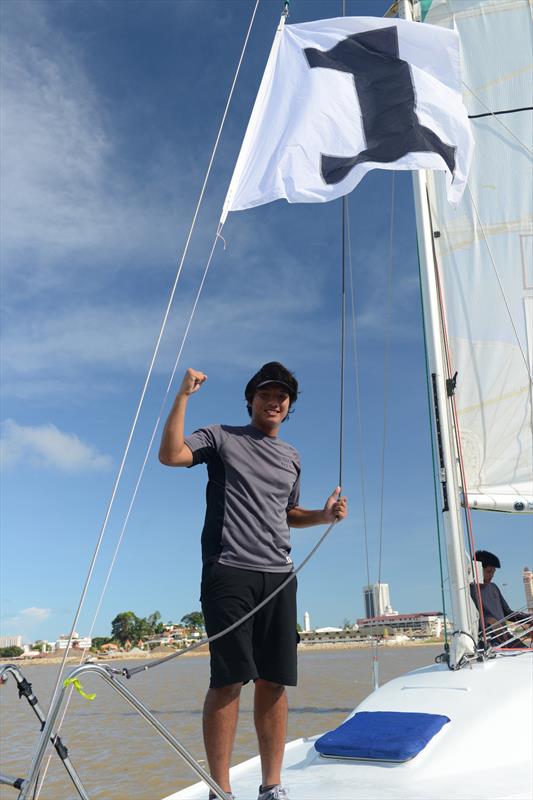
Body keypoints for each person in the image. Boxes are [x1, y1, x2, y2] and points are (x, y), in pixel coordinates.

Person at [159, 362, 348, 800]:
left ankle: (272, 786)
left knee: (274, 681)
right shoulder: (221, 436)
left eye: (282, 396)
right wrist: (183, 396)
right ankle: (220, 791)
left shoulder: (291, 457)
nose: (275, 401)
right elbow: (171, 456)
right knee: (228, 679)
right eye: (266, 393)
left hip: (280, 578)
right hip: (229, 572)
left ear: (289, 406)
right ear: (251, 400)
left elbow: (289, 515)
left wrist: (323, 516)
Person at [470, 550, 530, 647]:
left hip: (505, 636)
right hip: (487, 641)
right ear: (476, 569)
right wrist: (488, 620)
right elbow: (470, 622)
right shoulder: (468, 590)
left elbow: (508, 613)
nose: (492, 575)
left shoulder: (494, 587)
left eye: (493, 572)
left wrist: (528, 618)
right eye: (489, 571)